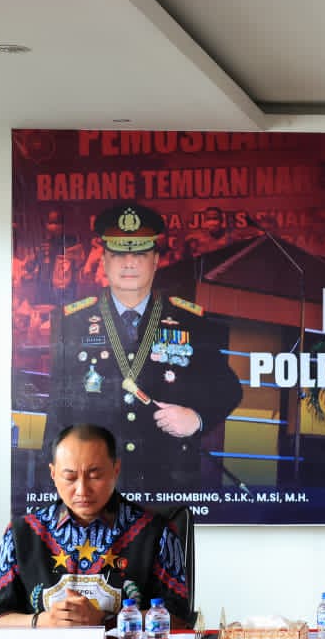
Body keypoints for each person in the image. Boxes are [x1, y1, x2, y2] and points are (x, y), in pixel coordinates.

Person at [42, 202, 243, 492]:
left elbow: (228, 388)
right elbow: (57, 413)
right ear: (104, 261)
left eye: (139, 254)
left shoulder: (190, 321)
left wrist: (196, 419)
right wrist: (53, 494)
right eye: (119, 254)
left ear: (156, 260)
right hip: (95, 488)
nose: (129, 263)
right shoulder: (73, 322)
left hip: (168, 483)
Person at [0, 424, 191, 628]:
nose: (82, 490)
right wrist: (42, 621)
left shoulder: (154, 531)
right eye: (70, 477)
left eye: (95, 475)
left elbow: (178, 617)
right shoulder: (23, 533)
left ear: (115, 470)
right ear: (53, 474)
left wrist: (106, 621)